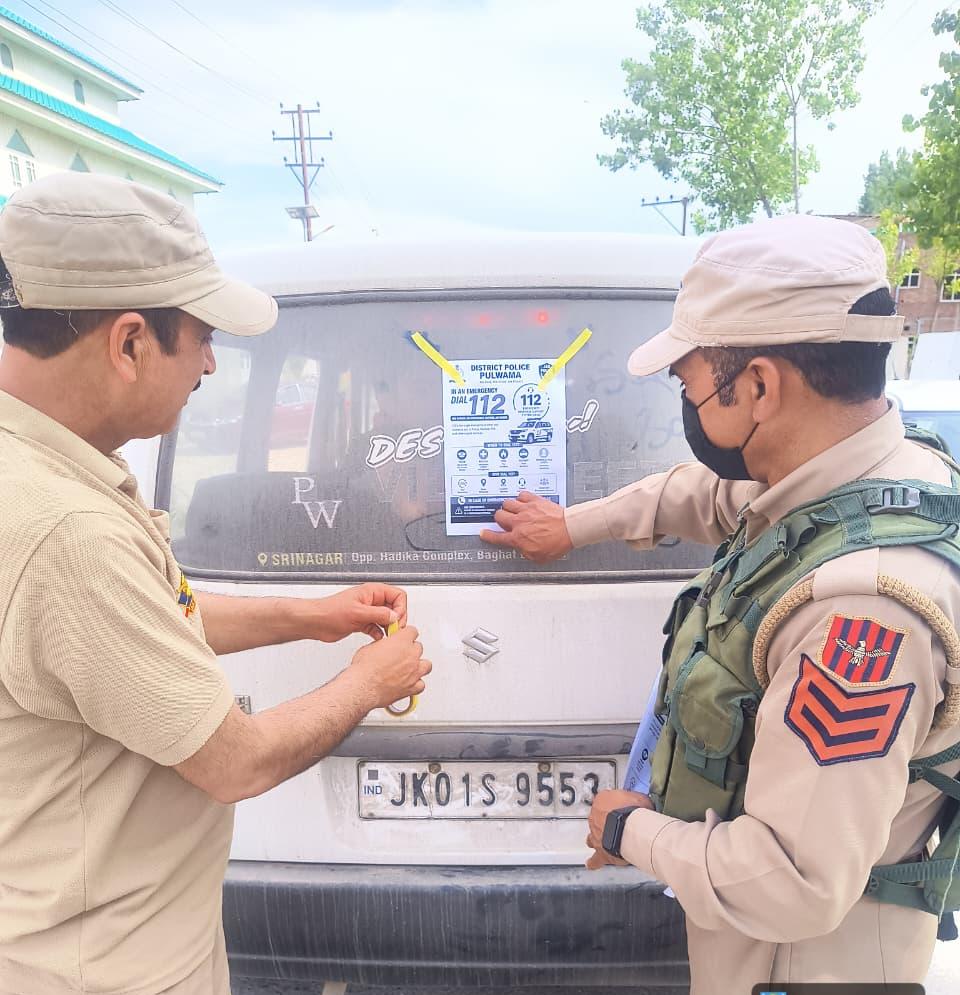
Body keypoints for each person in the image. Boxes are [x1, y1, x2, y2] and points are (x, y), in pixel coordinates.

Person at [480, 214, 960, 993]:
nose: (688, 405)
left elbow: (795, 882)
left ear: (761, 386)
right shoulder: (862, 477)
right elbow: (705, 495)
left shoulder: (864, 616)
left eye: (690, 385)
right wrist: (572, 525)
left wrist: (627, 827)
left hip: (805, 970)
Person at [0, 174, 431, 995]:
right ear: (130, 343)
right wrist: (369, 682)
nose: (208, 361)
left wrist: (310, 614)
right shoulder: (70, 534)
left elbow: (148, 629)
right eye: (200, 336)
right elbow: (236, 762)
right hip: (107, 970)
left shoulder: (41, 472)